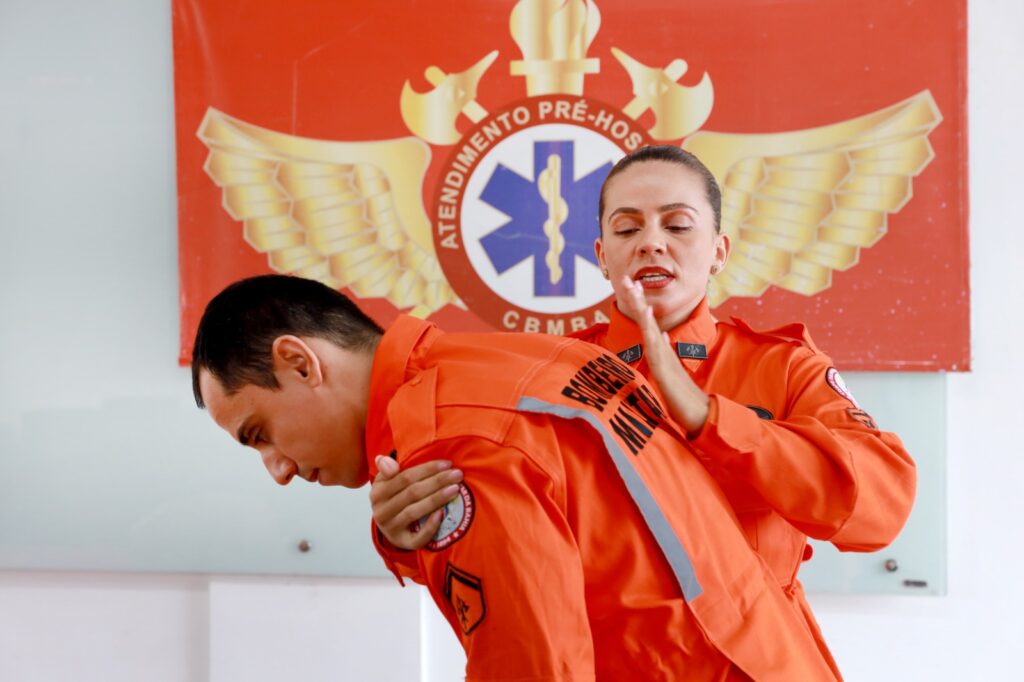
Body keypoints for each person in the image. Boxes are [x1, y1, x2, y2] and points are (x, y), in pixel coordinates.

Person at [370, 146, 917, 679]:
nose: (651, 243)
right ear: (601, 255)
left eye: (677, 225)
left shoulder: (783, 368)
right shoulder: (548, 375)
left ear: (719, 251)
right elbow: (505, 539)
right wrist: (409, 531)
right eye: (627, 229)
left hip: (758, 662)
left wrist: (710, 419)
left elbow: (881, 506)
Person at [192, 273, 841, 681]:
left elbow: (536, 663)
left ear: (299, 363)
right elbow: (597, 535)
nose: (277, 470)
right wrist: (407, 543)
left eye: (259, 433)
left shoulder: (453, 440)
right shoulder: (513, 360)